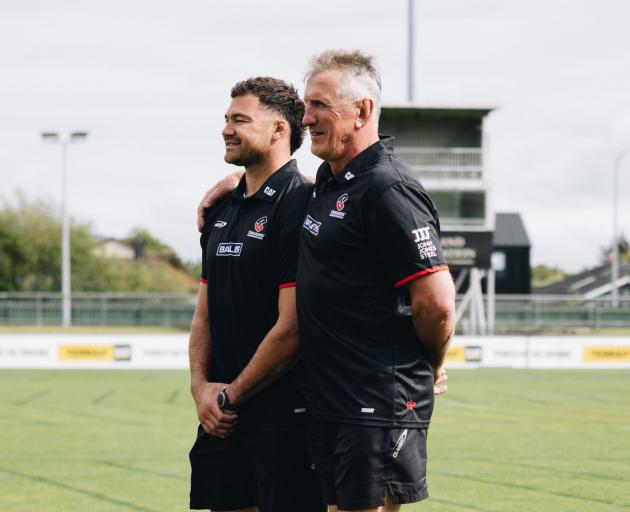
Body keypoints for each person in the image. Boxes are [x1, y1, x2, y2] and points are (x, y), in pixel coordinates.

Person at [197, 50, 454, 512]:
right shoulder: (330, 182)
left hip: (377, 400)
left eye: (319, 106)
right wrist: (236, 182)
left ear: (363, 111)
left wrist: (430, 364)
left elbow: (436, 303)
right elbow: (273, 180)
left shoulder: (387, 187)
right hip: (329, 402)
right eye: (306, 106)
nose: (307, 117)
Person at [188, 76, 323, 512]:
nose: (226, 129)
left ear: (279, 130)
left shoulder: (302, 203)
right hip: (221, 413)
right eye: (226, 119)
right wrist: (201, 389)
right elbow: (204, 314)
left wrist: (230, 395)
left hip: (282, 418)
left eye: (240, 120)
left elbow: (292, 328)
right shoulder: (221, 209)